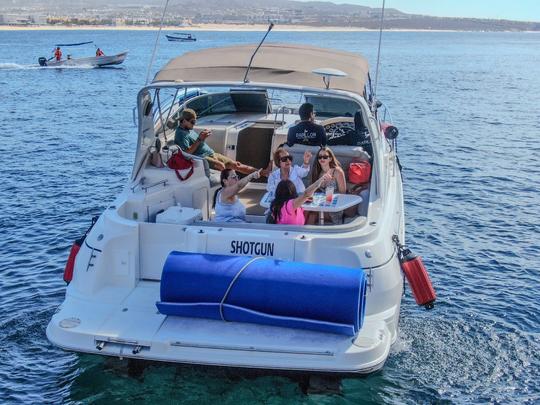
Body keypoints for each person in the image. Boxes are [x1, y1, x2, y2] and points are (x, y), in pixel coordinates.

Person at [175, 108, 266, 175]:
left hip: (211, 153)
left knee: (236, 164)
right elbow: (186, 154)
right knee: (221, 166)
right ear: (183, 121)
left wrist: (203, 137)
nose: (194, 125)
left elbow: (196, 143)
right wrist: (200, 139)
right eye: (192, 122)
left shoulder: (188, 129)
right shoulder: (180, 134)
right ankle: (229, 187)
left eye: (195, 122)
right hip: (202, 158)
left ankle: (264, 173)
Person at [268, 173, 332, 225]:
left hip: (283, 234)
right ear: (293, 191)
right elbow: (306, 194)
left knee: (312, 215)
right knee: (312, 215)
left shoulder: (275, 204)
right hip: (293, 236)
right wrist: (320, 180)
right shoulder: (290, 205)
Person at [310, 146, 347, 224]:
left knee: (312, 215)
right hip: (321, 203)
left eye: (325, 157)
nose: (322, 159)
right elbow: (315, 191)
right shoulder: (318, 172)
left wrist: (330, 191)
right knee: (307, 212)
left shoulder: (337, 171)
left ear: (330, 158)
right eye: (320, 157)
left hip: (335, 206)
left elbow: (343, 193)